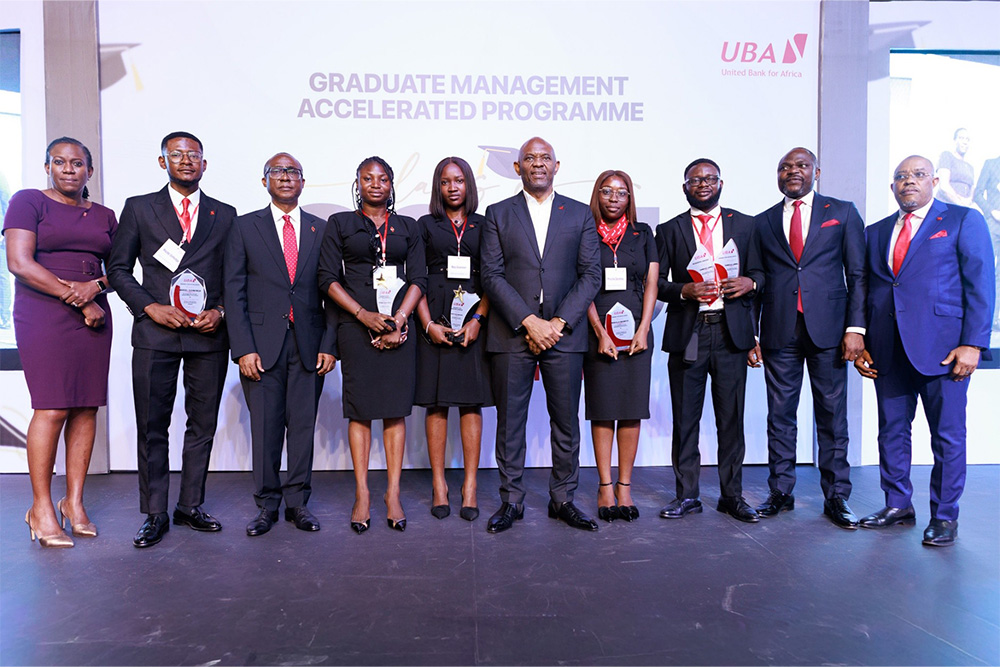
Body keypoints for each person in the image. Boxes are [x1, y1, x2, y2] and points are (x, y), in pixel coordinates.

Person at [854, 155, 995, 547]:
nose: (908, 182)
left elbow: (981, 284)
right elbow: (868, 289)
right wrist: (862, 337)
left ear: (934, 181)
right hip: (888, 349)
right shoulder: (877, 232)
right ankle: (898, 505)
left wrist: (973, 343)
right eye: (901, 177)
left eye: (917, 175)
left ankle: (945, 517)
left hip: (945, 351)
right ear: (892, 187)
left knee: (947, 437)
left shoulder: (963, 221)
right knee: (891, 432)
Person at [107, 131, 236, 548]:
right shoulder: (139, 208)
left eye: (193, 155)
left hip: (208, 336)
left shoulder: (225, 214)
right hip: (155, 333)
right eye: (177, 155)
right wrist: (149, 308)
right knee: (152, 425)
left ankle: (190, 505)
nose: (186, 161)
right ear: (163, 162)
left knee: (202, 424)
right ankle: (156, 512)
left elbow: (234, 277)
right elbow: (120, 269)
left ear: (204, 163)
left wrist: (220, 312)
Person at [480, 136, 602, 533]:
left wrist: (558, 323)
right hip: (512, 332)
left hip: (564, 334)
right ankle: (511, 500)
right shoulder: (498, 213)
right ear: (517, 168)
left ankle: (563, 498)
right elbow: (491, 275)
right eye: (529, 159)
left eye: (544, 158)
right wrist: (529, 321)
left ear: (557, 166)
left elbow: (591, 275)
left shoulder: (580, 214)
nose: (537, 164)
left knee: (565, 422)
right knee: (510, 422)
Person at [3, 137, 117, 548]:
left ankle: (74, 503)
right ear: (47, 166)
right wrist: (78, 299)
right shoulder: (28, 201)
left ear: (90, 170)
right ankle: (41, 507)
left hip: (96, 314)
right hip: (43, 311)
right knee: (52, 407)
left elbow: (118, 270)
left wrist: (96, 289)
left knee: (86, 407)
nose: (69, 169)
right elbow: (19, 263)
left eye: (77, 163)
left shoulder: (105, 214)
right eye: (60, 162)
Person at [751, 147, 866, 529]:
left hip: (830, 330)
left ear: (818, 171)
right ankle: (780, 492)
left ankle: (836, 497)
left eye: (801, 165)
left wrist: (856, 329)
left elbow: (858, 275)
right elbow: (758, 280)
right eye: (785, 166)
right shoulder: (764, 221)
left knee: (832, 417)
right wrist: (752, 332)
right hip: (779, 329)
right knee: (779, 416)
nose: (792, 171)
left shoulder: (843, 212)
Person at [224, 153, 337, 537]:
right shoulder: (243, 227)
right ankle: (267, 505)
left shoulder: (321, 230)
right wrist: (243, 348)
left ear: (303, 182)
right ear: (264, 181)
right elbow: (233, 290)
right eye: (278, 171)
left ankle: (298, 504)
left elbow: (330, 293)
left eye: (293, 172)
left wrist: (329, 344)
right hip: (261, 346)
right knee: (266, 429)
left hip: (308, 345)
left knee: (303, 427)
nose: (286, 177)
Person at [317, 156, 426, 533]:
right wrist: (364, 316)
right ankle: (362, 493)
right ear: (358, 182)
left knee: (396, 410)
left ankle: (392, 493)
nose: (376, 184)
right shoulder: (340, 224)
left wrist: (399, 321)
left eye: (383, 179)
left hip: (399, 328)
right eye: (368, 178)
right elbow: (328, 279)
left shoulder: (408, 227)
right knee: (360, 411)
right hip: (356, 326)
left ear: (392, 184)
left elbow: (419, 279)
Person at [655, 159, 763, 523]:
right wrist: (683, 290)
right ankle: (687, 495)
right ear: (684, 186)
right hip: (691, 331)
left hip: (732, 332)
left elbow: (762, 273)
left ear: (721, 183)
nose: (703, 184)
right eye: (695, 179)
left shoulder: (746, 224)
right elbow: (658, 285)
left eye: (710, 178)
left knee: (730, 418)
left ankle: (732, 496)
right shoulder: (669, 229)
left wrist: (751, 282)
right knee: (686, 418)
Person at [415, 157, 491, 521]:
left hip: (473, 319)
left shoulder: (485, 225)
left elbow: (494, 277)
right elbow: (417, 279)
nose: (453, 187)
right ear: (438, 187)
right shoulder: (424, 225)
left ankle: (470, 486)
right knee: (436, 403)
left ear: (468, 185)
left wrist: (478, 319)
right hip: (435, 320)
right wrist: (428, 325)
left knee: (471, 403)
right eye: (445, 182)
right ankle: (440, 485)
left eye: (459, 180)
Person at [583, 170, 657, 522]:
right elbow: (581, 285)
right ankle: (605, 485)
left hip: (637, 334)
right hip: (598, 333)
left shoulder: (644, 233)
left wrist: (643, 328)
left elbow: (652, 283)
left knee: (630, 409)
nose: (614, 198)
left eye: (622, 192)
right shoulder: (585, 233)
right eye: (607, 191)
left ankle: (625, 486)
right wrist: (599, 331)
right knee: (602, 408)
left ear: (630, 198)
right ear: (597, 195)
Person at [972, 154, 1000, 333]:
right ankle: (986, 319)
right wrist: (992, 212)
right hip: (993, 225)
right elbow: (978, 194)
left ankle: (996, 317)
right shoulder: (991, 164)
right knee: (986, 271)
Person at [936, 128, 975, 207]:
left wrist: (968, 201)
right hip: (946, 205)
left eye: (967, 139)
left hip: (963, 208)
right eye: (961, 138)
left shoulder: (970, 167)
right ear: (955, 141)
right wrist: (960, 203)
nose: (965, 142)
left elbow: (972, 188)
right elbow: (943, 186)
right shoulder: (947, 156)